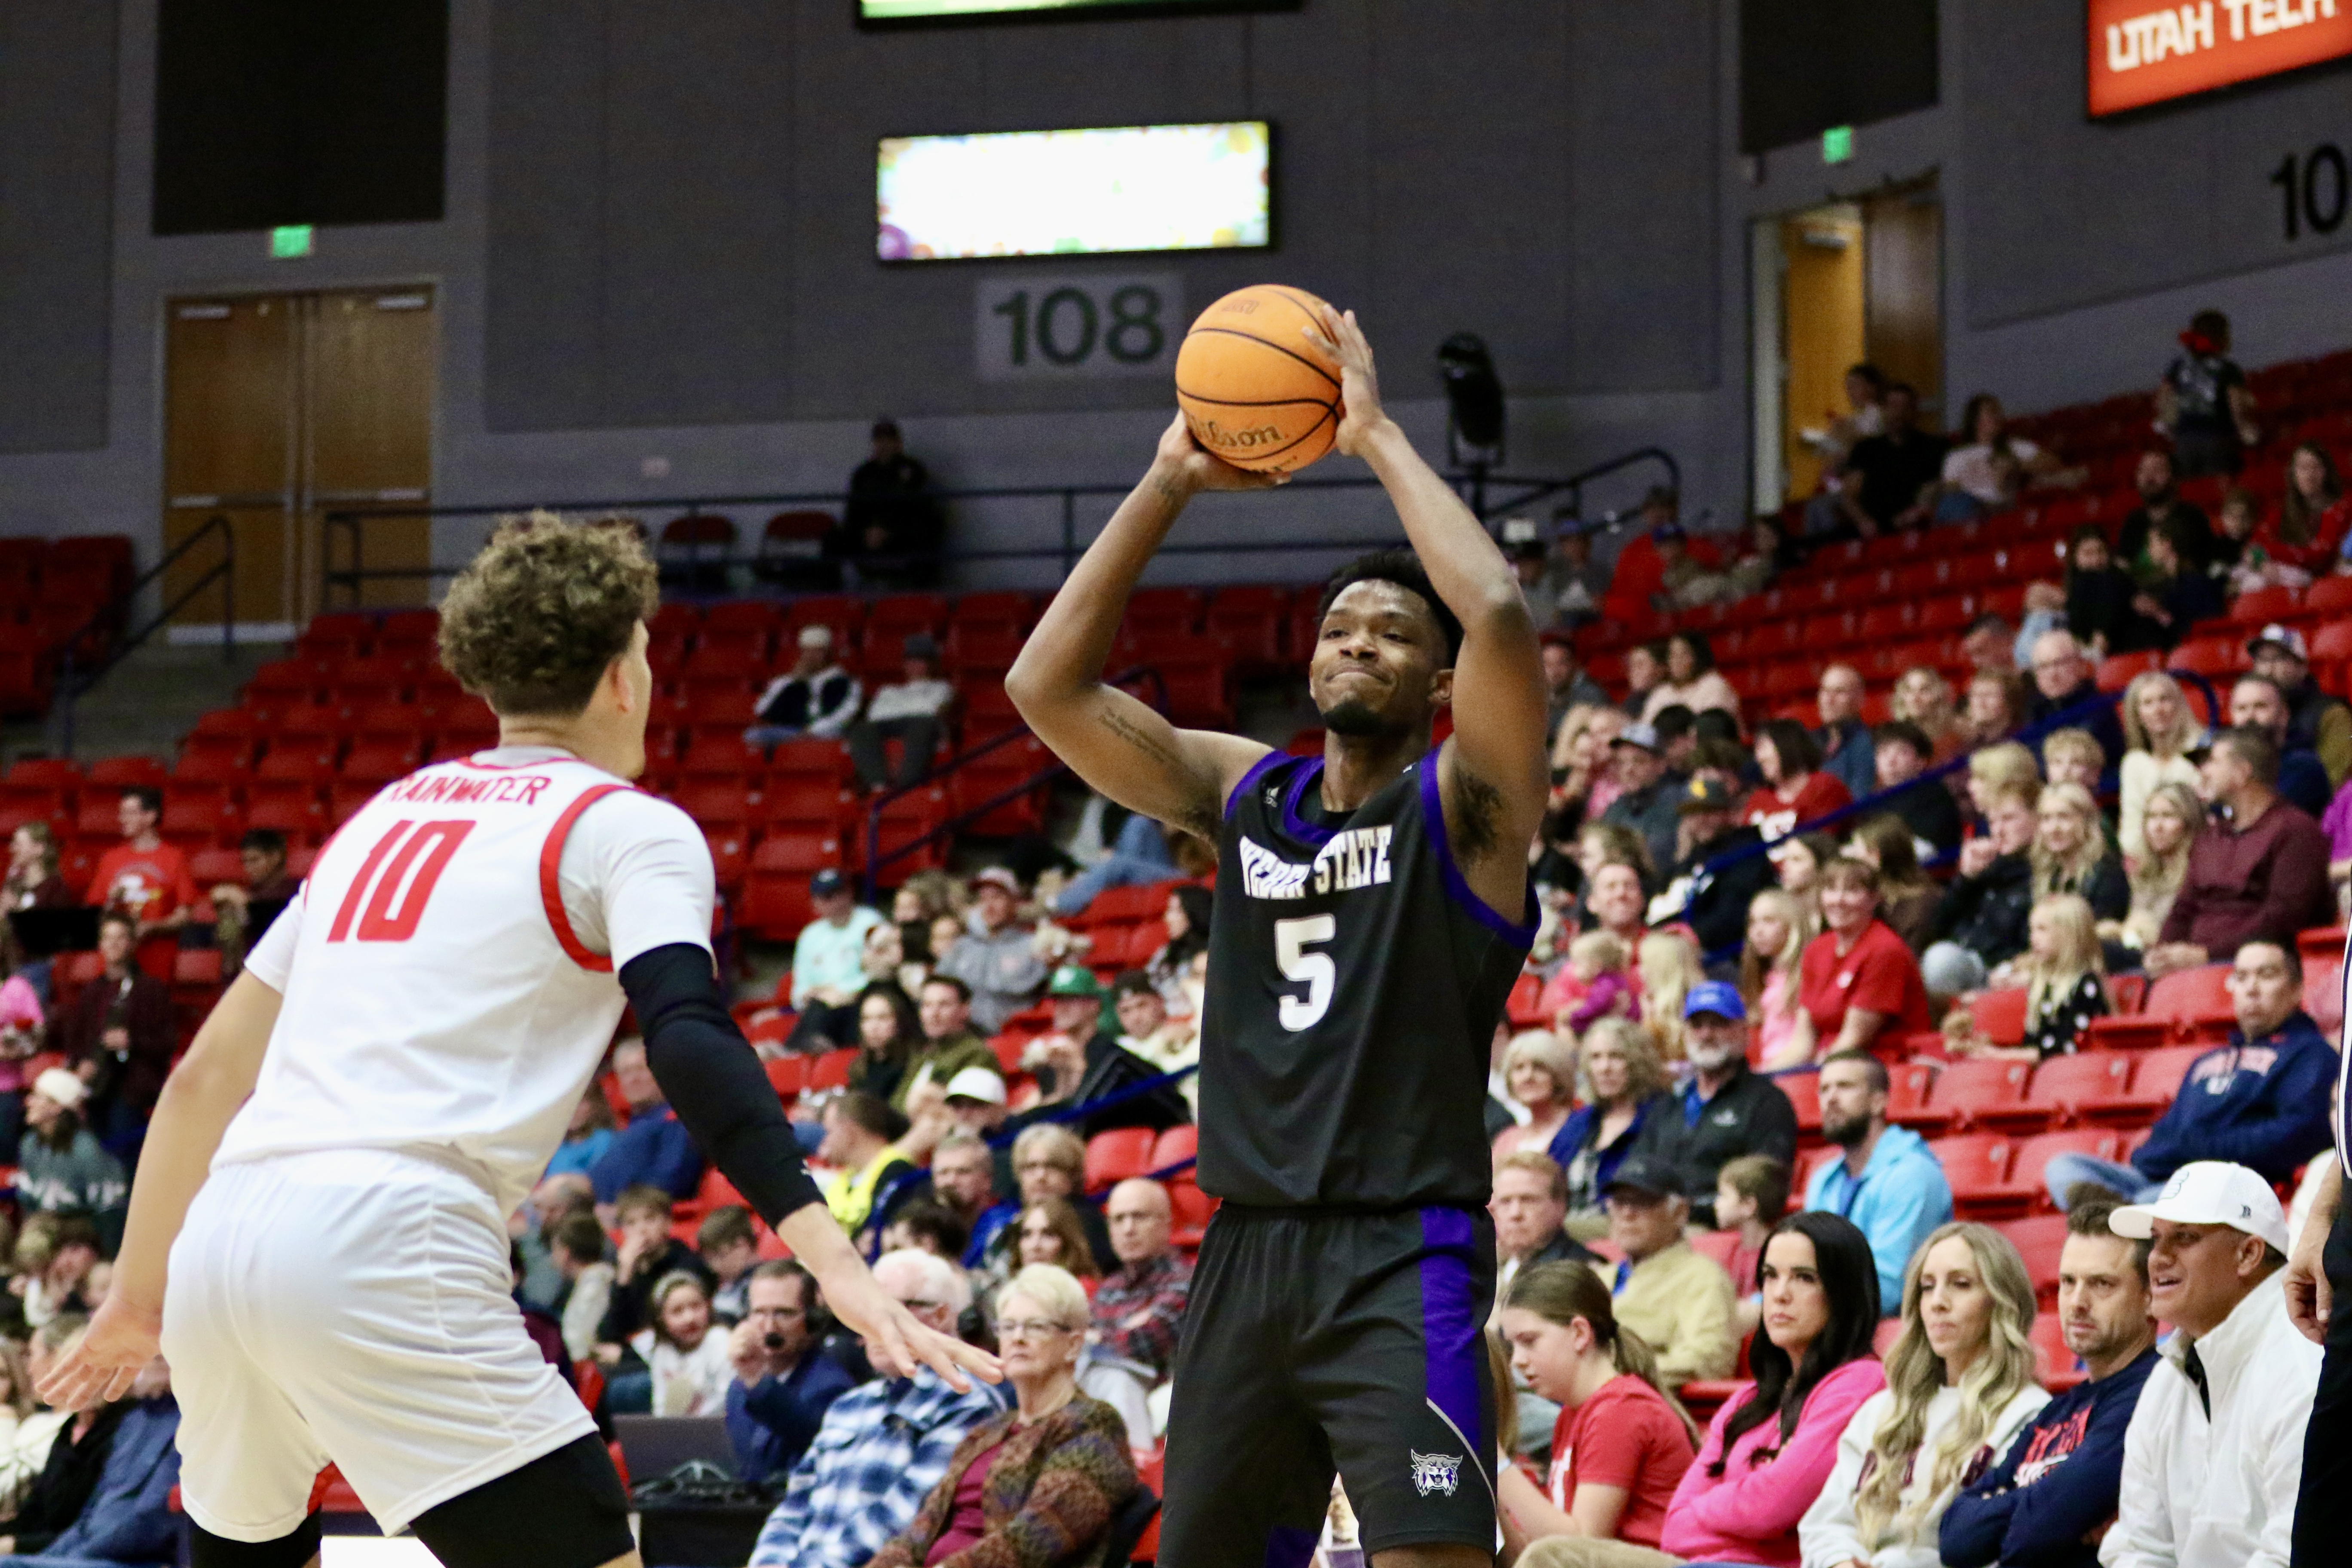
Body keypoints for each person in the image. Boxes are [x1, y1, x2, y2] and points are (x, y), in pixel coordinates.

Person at [32, 514, 996, 1568]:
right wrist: (839, 1269)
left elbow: (204, 1077)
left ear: (488, 679)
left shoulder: (383, 818)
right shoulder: (628, 826)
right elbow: (686, 1035)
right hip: (387, 1233)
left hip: (221, 1237)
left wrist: (137, 1297)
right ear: (624, 671)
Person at [1008, 303, 1553, 1567]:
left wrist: (1372, 435)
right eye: (1337, 629)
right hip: (1246, 1249)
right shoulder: (1247, 794)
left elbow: (1506, 618)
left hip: (1399, 1248)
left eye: (1393, 633)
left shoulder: (1467, 809)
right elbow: (1045, 689)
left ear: (1436, 684)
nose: (1357, 641)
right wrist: (1166, 479)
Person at [1642, 1213, 1888, 1568]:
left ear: (1843, 1292)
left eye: (1804, 1278)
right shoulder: (1746, 1401)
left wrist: (1717, 1508)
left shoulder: (1861, 1383)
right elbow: (1675, 1527)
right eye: (1770, 1276)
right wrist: (1759, 1491)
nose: (1780, 1294)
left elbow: (1772, 1508)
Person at [2104, 1161, 2318, 1567]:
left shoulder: (2303, 1367)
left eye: (2184, 1238)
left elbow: (2295, 1554)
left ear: (2249, 1254)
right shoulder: (2169, 1374)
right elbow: (2138, 1547)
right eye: (2156, 1239)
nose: (2157, 1258)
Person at [1799, 1223, 2050, 1568]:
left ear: (2001, 1300)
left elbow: (2016, 1548)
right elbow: (1824, 1525)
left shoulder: (2030, 1414)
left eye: (1961, 1285)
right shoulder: (1882, 1411)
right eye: (1927, 1287)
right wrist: (1840, 1563)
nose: (1938, 1303)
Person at [868, 1264, 1138, 1567]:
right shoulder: (986, 1432)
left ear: (1073, 1344)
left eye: (1036, 1326)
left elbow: (1040, 1533)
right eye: (1008, 1327)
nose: (1017, 1338)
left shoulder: (1093, 1424)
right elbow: (921, 1529)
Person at [1941, 1198, 2161, 1568]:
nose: (2077, 1302)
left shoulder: (2150, 1395)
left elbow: (2034, 1535)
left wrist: (2017, 1509)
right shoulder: (2056, 1409)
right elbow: (1955, 1537)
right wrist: (2052, 1518)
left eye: (2101, 1284)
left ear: (2150, 1297)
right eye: (2068, 1282)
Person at [748, 1249, 1001, 1568]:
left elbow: (906, 1517)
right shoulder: (849, 1405)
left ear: (941, 1317)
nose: (874, 1324)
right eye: (867, 1310)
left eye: (893, 1309)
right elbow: (795, 1505)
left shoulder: (964, 1401)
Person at [2044, 938, 2334, 1210]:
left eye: (2266, 975)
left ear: (2297, 989)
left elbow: (2299, 1135)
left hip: (2235, 1188)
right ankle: (2122, 1217)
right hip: (2167, 1177)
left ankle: (2121, 1219)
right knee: (2063, 1167)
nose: (2252, 988)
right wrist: (2166, 1153)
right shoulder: (2208, 1060)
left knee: (2151, 1198)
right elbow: (2165, 1136)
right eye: (2242, 977)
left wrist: (2200, 1149)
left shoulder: (2313, 1056)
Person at [1499, 1262, 1700, 1563]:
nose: (1517, 1361)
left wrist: (1497, 1460)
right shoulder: (1574, 1414)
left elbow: (1579, 1549)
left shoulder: (1620, 1411)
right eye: (1512, 1346)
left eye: (1529, 1342)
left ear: (1580, 1333)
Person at [2143, 727, 2332, 977]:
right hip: (2192, 968)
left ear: (2243, 773)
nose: (2202, 772)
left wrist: (2207, 954)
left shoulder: (2296, 831)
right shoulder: (2210, 837)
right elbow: (2184, 909)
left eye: (2212, 762)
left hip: (2254, 971)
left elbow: (2281, 920)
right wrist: (2162, 953)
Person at [1805, 1052, 1955, 1314]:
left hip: (1897, 1333)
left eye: (1845, 1087)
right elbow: (1805, 1266)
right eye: (1824, 1089)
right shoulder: (1823, 1180)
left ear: (1878, 1102)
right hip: (1834, 1321)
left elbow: (1889, 1288)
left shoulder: (1911, 1175)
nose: (1831, 1099)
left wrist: (1804, 1304)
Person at [1651, 983, 1797, 1226]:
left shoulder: (1768, 1103)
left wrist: (1694, 1212)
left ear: (1744, 1032)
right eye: (1697, 1026)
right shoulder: (1667, 1104)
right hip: (1655, 1222)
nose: (1706, 1035)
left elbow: (1765, 1185)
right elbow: (1638, 1166)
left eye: (1718, 1024)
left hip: (1714, 1228)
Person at [1004, 966, 1188, 1141]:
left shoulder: (1113, 1056)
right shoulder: (1052, 1064)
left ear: (1094, 1005)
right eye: (1058, 1000)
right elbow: (1059, 1109)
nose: (1062, 1007)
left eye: (1071, 1000)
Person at [1600, 1156, 1737, 1385]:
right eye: (1619, 1202)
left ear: (1680, 1213)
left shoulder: (1702, 1277)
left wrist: (1610, 1373)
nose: (1627, 1214)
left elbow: (1710, 1359)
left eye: (1643, 1202)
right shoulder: (1598, 1277)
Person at [56, 913, 173, 1161]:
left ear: (132, 943)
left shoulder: (151, 990)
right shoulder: (90, 993)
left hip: (132, 1086)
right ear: (100, 945)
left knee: (121, 1149)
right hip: (96, 1086)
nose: (114, 945)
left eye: (121, 938)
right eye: (108, 939)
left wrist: (132, 1042)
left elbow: (167, 1043)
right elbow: (76, 1042)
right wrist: (81, 1064)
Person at [1799, 859, 1933, 1059]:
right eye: (1830, 889)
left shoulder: (1885, 949)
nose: (1838, 900)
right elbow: (1801, 1043)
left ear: (1874, 898)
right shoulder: (1816, 949)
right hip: (1831, 1064)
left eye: (1852, 891)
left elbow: (1855, 1040)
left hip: (1885, 1064)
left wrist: (1818, 1070)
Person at [1550, 1020, 1676, 1225]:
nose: (1604, 1068)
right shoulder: (1579, 1122)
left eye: (1616, 1057)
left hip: (1630, 1224)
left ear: (1638, 1062)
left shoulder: (1666, 1115)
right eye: (1596, 1058)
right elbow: (1550, 1179)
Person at [1921, 787, 2040, 998]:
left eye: (2009, 819)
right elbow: (1935, 929)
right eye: (1993, 822)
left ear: (2037, 818)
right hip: (1965, 964)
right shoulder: (1985, 868)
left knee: (1941, 961)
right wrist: (1966, 879)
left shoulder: (2042, 874)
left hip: (2004, 973)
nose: (1999, 831)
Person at [1648, 778, 1776, 956]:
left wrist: (1690, 934)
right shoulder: (1690, 860)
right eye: (1693, 814)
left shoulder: (1746, 852)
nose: (1701, 820)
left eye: (1709, 812)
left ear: (1728, 814)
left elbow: (1734, 913)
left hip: (1727, 956)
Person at [15, 1070, 128, 1252]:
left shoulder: (86, 1151)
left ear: (57, 1107)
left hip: (85, 1241)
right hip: (47, 1233)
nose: (29, 1101)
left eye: (37, 1096)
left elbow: (110, 1214)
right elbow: (28, 1203)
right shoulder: (29, 1144)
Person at [1988, 894, 2110, 1062]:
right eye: (2032, 930)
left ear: (2069, 935)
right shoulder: (2041, 985)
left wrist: (2000, 1055)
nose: (2033, 939)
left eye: (2042, 929)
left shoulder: (2086, 985)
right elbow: (2031, 1044)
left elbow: (2069, 1049)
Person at [1090, 1178, 1191, 1381]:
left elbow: (1142, 1342)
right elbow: (1080, 1347)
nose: (1128, 1229)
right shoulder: (1108, 1288)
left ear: (1167, 1223)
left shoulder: (1188, 1281)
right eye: (1118, 1219)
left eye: (1140, 1217)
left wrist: (1097, 1337)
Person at [589, 1037, 705, 1205]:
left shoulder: (676, 1120)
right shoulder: (623, 1127)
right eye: (626, 1072)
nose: (634, 1079)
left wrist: (622, 1207)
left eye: (641, 1069)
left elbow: (671, 1180)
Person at [935, 867, 1049, 1036]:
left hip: (1012, 1036)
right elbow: (938, 988)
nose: (989, 906)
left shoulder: (1034, 945)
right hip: (964, 1035)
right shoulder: (961, 947)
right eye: (983, 899)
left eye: (997, 897)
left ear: (1015, 902)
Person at [85, 786, 197, 956]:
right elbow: (95, 910)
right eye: (121, 813)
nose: (122, 819)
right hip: (114, 961)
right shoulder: (110, 859)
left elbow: (184, 915)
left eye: (129, 813)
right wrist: (111, 899)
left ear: (150, 816)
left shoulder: (174, 858)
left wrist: (151, 927)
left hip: (157, 957)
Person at [787, 870, 886, 1052]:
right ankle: (803, 1050)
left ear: (849, 894)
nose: (832, 902)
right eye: (823, 897)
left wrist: (843, 993)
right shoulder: (810, 935)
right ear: (815, 902)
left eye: (836, 894)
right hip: (821, 1006)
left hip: (859, 1002)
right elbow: (800, 989)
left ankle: (793, 1050)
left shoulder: (871, 922)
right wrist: (815, 994)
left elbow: (880, 972)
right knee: (819, 1008)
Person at [845, 631, 957, 792]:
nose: (913, 666)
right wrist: (913, 707)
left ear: (931, 664)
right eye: (910, 662)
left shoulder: (942, 688)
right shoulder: (889, 690)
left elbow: (931, 711)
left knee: (923, 725)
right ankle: (878, 786)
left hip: (922, 724)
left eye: (919, 662)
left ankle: (906, 787)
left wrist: (898, 708)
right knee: (861, 729)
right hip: (889, 725)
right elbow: (875, 715)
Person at [2156, 308, 2259, 477]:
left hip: (2185, 441)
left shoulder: (2179, 366)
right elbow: (2236, 405)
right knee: (2217, 490)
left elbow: (2163, 398)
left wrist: (2169, 430)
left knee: (2191, 491)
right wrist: (2243, 429)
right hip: (2218, 439)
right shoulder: (2228, 369)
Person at [2249, 621, 2352, 790]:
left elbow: (2339, 785)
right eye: (2262, 660)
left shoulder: (2331, 714)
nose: (2268, 669)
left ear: (2302, 667)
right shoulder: (2253, 717)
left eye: (2279, 659)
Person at [1835, 382, 1946, 537]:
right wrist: (1863, 521)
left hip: (1916, 528)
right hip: (1869, 529)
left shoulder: (1934, 447)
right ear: (1884, 410)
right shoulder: (1866, 448)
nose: (1899, 413)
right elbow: (1849, 494)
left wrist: (1916, 512)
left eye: (1905, 406)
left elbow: (1936, 487)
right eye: (1893, 406)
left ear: (1915, 411)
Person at [842, 420, 944, 587]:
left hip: (903, 533)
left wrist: (890, 531)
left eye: (889, 441)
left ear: (898, 443)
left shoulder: (913, 470)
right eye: (880, 441)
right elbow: (854, 511)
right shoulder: (863, 474)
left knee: (928, 526)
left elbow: (920, 510)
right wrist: (866, 532)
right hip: (869, 534)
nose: (884, 446)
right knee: (834, 538)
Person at [1492, 1152, 1602, 1305]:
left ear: (1560, 1206)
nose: (1515, 1213)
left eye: (1529, 1200)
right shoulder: (1496, 1265)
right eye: (1505, 1202)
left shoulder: (1581, 1274)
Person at [2118, 671, 2205, 865]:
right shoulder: (2134, 764)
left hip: (2198, 858)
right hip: (2147, 864)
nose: (2158, 710)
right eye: (2147, 703)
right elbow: (2131, 828)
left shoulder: (2201, 751)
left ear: (2179, 705)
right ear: (2137, 715)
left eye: (2164, 700)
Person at [817, 1092, 919, 1248]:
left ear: (849, 1131)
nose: (824, 1142)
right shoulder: (843, 1179)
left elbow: (875, 1232)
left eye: (829, 1132)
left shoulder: (896, 1169)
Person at [2113, 781, 2200, 955]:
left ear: (2189, 823)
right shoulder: (2140, 873)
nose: (2157, 827)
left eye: (2168, 816)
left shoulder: (2197, 874)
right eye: (2152, 817)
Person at [2229, 673, 2333, 818]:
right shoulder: (2227, 763)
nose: (2250, 716)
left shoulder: (2304, 767)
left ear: (2284, 714)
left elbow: (2263, 818)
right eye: (2241, 708)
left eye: (2260, 706)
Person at [630, 1271, 733, 1417]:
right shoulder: (662, 1350)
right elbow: (661, 1407)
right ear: (661, 1319)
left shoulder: (720, 1340)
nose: (689, 1318)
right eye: (677, 1311)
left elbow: (727, 1400)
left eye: (696, 1307)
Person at [747, 623, 863, 751]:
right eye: (807, 651)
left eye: (818, 651)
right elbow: (761, 711)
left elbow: (845, 715)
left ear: (829, 653)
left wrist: (812, 731)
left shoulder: (847, 682)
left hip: (829, 733)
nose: (811, 656)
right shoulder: (790, 681)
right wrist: (791, 679)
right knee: (753, 735)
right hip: (793, 731)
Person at [2025, 630, 2125, 772]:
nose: (2052, 674)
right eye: (2043, 666)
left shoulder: (2098, 707)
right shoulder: (2030, 710)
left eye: (2059, 663)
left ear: (2081, 665)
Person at [1600, 721, 1689, 879]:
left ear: (1661, 765)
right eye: (1621, 763)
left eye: (1639, 761)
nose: (1628, 770)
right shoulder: (1615, 809)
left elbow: (1663, 859)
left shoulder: (1679, 802)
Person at [1744, 888, 1819, 1072]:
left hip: (1795, 1071)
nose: (1758, 931)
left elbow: (1803, 1048)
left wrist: (1760, 1076)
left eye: (1769, 921)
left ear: (1792, 925)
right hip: (1772, 1067)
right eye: (1753, 922)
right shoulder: (1768, 979)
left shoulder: (1805, 975)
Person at [899, 975, 998, 1114]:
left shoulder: (976, 1054)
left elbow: (965, 1110)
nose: (934, 1014)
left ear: (965, 1010)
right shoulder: (922, 1054)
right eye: (927, 1005)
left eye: (944, 1005)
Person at [1715, 1155, 1791, 1336]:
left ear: (1749, 1205)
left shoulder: (1778, 1253)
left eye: (1723, 1196)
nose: (1716, 1204)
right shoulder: (1732, 1252)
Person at [2114, 447, 2216, 580]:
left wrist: (2178, 565)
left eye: (2157, 470)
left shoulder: (2192, 517)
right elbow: (2124, 563)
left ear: (2174, 477)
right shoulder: (2133, 521)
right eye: (2143, 470)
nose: (2149, 477)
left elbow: (2205, 564)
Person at [1843, 815, 1941, 953]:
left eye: (1855, 849)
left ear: (1876, 856)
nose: (1848, 856)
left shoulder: (1922, 905)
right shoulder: (1870, 903)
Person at [1746, 720, 1852, 846]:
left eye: (1763, 747)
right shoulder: (1757, 801)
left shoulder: (1823, 786)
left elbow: (1819, 844)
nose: (1759, 758)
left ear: (1786, 744)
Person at [1868, 721, 1962, 860]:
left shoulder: (1934, 794)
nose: (1891, 760)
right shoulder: (1872, 800)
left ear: (1921, 762)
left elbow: (1931, 845)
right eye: (1883, 752)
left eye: (1902, 752)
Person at [2129, 516, 2225, 649]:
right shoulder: (2155, 585)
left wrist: (2159, 613)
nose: (2149, 550)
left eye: (2152, 543)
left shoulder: (2198, 584)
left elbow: (2200, 628)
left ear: (2167, 544)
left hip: (2199, 651)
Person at [1495, 1030, 1577, 1162]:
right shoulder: (1506, 1140)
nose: (1528, 1076)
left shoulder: (1580, 1129)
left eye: (1539, 1067)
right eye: (1519, 1068)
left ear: (1558, 1074)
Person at [844, 981, 922, 1107]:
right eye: (867, 1019)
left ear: (899, 1022)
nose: (874, 1027)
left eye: (883, 1018)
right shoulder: (858, 1068)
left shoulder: (913, 1063)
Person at [1641, 633, 1741, 726]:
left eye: (1683, 654)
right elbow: (1647, 729)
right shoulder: (1662, 692)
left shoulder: (1714, 686)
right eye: (1673, 655)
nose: (1677, 661)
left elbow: (1711, 728)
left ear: (1698, 657)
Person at [1814, 666, 1877, 802]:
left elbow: (1857, 801)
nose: (1829, 700)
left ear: (1860, 700)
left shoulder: (1868, 744)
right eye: (1825, 691)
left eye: (1839, 692)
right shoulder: (1808, 742)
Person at [543, 1087, 617, 1182]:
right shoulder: (557, 1146)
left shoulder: (604, 1140)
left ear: (595, 1105)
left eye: (581, 1101)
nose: (572, 1108)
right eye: (567, 1101)